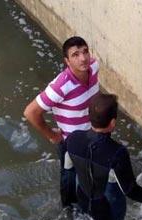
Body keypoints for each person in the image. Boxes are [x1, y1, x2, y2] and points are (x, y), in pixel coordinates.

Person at [24, 36, 100, 208]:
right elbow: (30, 112)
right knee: (69, 176)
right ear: (67, 61)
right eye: (75, 55)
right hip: (70, 143)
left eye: (85, 51)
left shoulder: (94, 67)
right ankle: (69, 210)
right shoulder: (60, 86)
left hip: (91, 135)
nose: (83, 58)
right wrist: (52, 136)